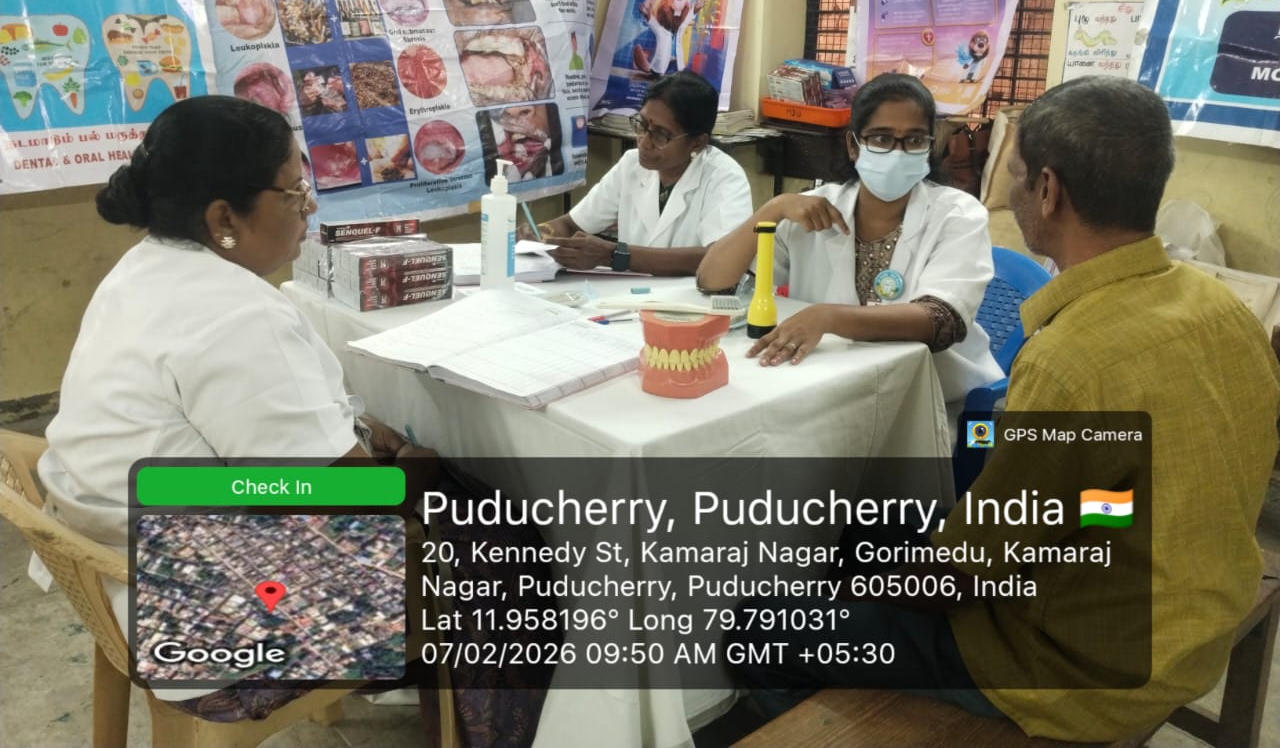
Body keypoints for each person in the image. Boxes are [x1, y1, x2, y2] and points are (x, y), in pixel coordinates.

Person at [727, 75, 1280, 742]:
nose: (1010, 194)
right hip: (1194, 619)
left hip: (1072, 664)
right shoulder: (1224, 309)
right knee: (877, 540)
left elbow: (963, 575)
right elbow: (1092, 501)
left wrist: (856, 593)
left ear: (1047, 190)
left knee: (758, 624)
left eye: (1013, 174)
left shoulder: (1070, 360)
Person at [36, 96, 436, 716]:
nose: (309, 207)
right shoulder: (238, 314)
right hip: (205, 624)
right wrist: (417, 466)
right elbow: (348, 498)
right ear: (224, 216)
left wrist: (351, 430)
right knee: (487, 536)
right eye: (294, 192)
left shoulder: (146, 266)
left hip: (121, 565)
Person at [697, 72, 1000, 407]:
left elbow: (941, 320)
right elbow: (714, 282)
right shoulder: (815, 208)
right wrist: (772, 209)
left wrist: (827, 318)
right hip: (827, 384)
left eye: (914, 140)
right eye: (881, 138)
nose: (898, 152)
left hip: (936, 397)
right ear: (853, 146)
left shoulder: (958, 215)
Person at [524, 71, 752, 276]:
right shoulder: (631, 164)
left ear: (697, 142)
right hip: (634, 296)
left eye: (661, 135)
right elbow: (572, 224)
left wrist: (615, 255)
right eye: (642, 125)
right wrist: (539, 233)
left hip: (694, 300)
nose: (644, 141)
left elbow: (722, 257)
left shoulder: (724, 177)